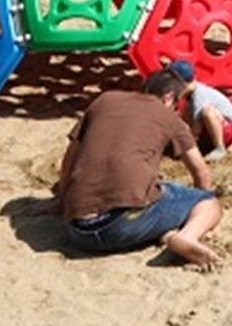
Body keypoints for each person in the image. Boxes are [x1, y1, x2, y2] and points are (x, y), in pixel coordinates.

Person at [53, 68, 222, 267]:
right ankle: (187, 236)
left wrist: (61, 202)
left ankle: (166, 234)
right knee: (207, 202)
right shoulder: (169, 118)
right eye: (177, 103)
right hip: (119, 226)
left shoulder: (104, 100)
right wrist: (204, 217)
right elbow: (201, 173)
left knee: (149, 198)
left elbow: (70, 158)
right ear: (169, 98)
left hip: (78, 230)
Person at [168, 60, 232, 161]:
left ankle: (219, 148)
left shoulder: (200, 96)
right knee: (184, 114)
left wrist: (186, 146)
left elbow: (196, 129)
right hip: (212, 130)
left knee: (207, 112)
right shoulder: (189, 97)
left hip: (229, 129)